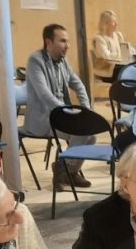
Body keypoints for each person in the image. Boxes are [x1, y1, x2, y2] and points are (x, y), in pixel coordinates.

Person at [24, 23, 93, 190]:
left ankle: (67, 171)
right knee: (81, 133)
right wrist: (68, 112)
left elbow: (78, 84)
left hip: (61, 116)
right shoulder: (35, 60)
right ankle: (64, 171)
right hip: (43, 119)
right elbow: (44, 95)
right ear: (48, 42)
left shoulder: (63, 61)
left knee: (91, 134)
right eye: (62, 41)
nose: (67, 46)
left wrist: (86, 109)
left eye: (67, 41)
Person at [91, 9, 128, 83]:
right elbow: (106, 56)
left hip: (118, 67)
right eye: (113, 22)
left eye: (116, 21)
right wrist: (121, 56)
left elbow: (124, 50)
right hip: (106, 72)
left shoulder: (118, 35)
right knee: (124, 71)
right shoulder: (99, 38)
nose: (116, 23)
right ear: (105, 24)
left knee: (131, 68)